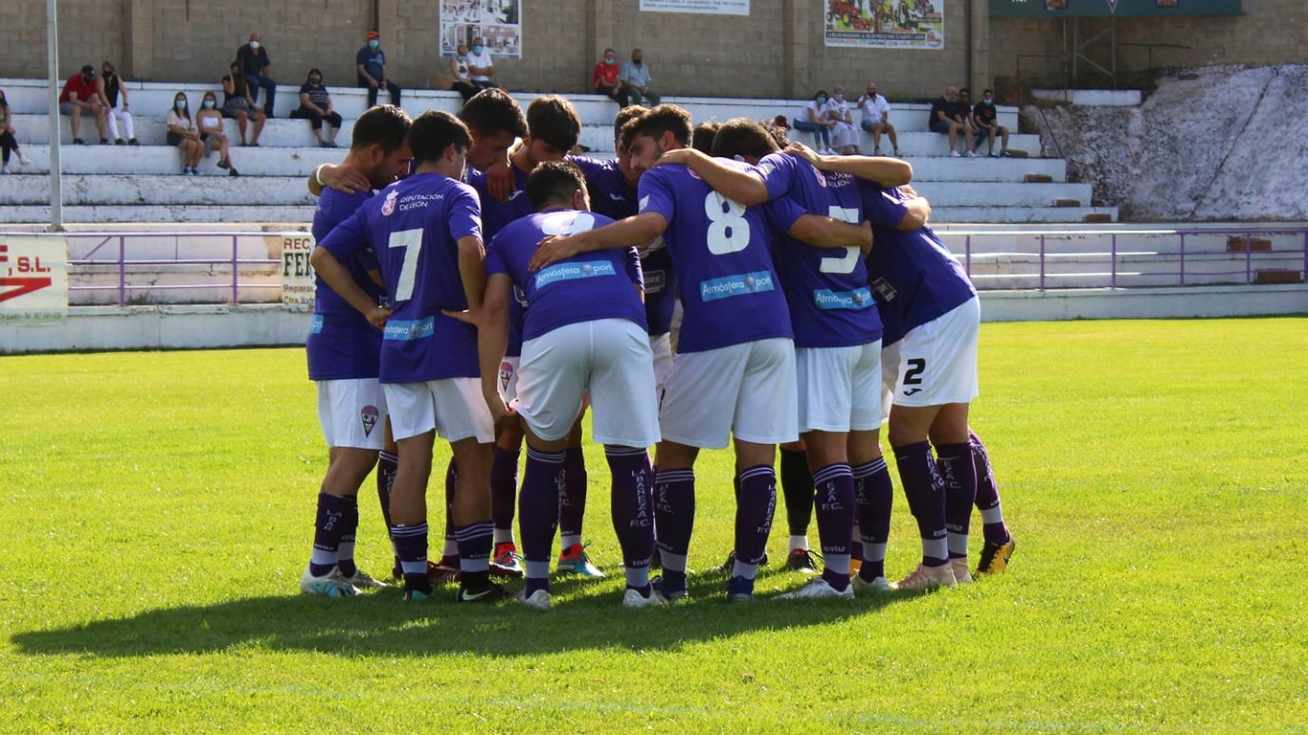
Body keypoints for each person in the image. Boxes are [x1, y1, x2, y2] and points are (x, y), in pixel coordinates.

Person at [528, 105, 874, 603]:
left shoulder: (665, 177)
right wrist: (859, 236)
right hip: (772, 325)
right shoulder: (745, 173)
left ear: (668, 142)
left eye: (640, 150)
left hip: (715, 325)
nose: (636, 163)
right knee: (757, 455)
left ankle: (672, 582)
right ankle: (743, 587)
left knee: (673, 457)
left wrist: (576, 243)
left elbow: (649, 225)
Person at [660, 123, 913, 597]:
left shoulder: (781, 170)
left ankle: (837, 578)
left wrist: (694, 160)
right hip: (864, 326)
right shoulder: (843, 173)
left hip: (822, 330)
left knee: (827, 454)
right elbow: (904, 184)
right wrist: (858, 227)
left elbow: (799, 223)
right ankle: (872, 572)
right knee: (867, 452)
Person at [311, 110, 504, 604]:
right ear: (453, 152)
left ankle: (415, 580)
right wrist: (477, 306)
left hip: (398, 345)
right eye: (464, 157)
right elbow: (469, 244)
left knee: (411, 460)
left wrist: (370, 309)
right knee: (473, 460)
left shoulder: (382, 202)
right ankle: (476, 580)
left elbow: (322, 256)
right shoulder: (459, 193)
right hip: (449, 343)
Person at [458, 161, 664, 609]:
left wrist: (493, 392)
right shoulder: (611, 226)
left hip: (551, 332)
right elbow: (636, 298)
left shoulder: (510, 234)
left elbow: (493, 313)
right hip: (622, 330)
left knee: (544, 458)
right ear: (577, 198)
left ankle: (536, 588)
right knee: (629, 457)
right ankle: (639, 588)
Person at [467, 96, 601, 579]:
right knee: (503, 435)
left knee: (567, 438)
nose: (562, 163)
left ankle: (571, 548)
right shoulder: (486, 184)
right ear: (532, 141)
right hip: (510, 337)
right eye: (554, 153)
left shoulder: (572, 178)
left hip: (557, 333)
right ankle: (502, 546)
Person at [299, 104, 414, 598]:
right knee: (359, 455)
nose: (403, 171)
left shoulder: (340, 189)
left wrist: (321, 173)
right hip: (353, 346)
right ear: (373, 152)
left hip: (336, 343)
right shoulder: (353, 199)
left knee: (347, 453)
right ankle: (320, 568)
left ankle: (342, 564)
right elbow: (325, 262)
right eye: (399, 161)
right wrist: (370, 307)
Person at [292, 68, 344, 148]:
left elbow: (328, 100)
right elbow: (305, 101)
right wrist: (317, 109)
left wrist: (329, 109)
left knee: (337, 118)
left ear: (320, 77)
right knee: (316, 116)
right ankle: (321, 141)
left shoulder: (322, 87)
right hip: (309, 110)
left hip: (323, 110)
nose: (315, 76)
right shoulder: (306, 87)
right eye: (312, 74)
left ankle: (332, 141)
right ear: (309, 76)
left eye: (317, 74)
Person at [58, 65, 108, 145]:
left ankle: (103, 138)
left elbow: (94, 96)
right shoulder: (74, 79)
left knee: (100, 109)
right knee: (77, 108)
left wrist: (99, 104)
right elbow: (73, 99)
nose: (89, 78)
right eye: (88, 76)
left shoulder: (92, 81)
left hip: (82, 105)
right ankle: (76, 138)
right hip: (65, 104)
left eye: (91, 76)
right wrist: (89, 106)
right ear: (82, 74)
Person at [222, 61, 266, 147]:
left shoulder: (244, 81)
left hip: (244, 106)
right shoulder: (226, 79)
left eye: (237, 69)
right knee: (242, 114)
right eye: (233, 69)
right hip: (231, 106)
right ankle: (243, 140)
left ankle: (254, 141)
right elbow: (231, 91)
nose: (235, 71)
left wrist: (256, 107)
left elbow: (248, 97)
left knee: (262, 116)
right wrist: (231, 77)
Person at [195, 91, 240, 176]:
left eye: (211, 99)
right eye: (207, 99)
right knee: (224, 140)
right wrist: (214, 131)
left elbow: (220, 128)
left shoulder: (217, 113)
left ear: (214, 101)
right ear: (204, 101)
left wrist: (213, 131)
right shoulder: (200, 113)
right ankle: (230, 167)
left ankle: (224, 162)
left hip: (216, 138)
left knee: (224, 142)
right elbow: (201, 128)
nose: (209, 101)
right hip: (205, 138)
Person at [97, 61, 137, 146]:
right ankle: (117, 138)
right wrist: (107, 106)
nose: (106, 70)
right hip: (103, 106)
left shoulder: (116, 78)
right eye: (105, 69)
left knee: (127, 115)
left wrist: (125, 105)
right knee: (111, 115)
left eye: (108, 68)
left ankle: (131, 138)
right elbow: (101, 93)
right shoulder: (101, 78)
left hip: (113, 106)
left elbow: (124, 91)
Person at [236, 32, 276, 117]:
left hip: (257, 75)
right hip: (245, 75)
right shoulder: (243, 50)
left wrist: (267, 78)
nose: (254, 42)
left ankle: (269, 111)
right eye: (252, 40)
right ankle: (251, 110)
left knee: (271, 84)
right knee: (255, 82)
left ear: (260, 41)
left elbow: (266, 65)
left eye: (256, 40)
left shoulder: (262, 50)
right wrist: (242, 79)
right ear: (249, 40)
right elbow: (240, 67)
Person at [357, 31, 401, 108]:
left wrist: (384, 80)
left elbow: (383, 68)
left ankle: (396, 111)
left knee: (396, 89)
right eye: (372, 38)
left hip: (379, 80)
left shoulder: (380, 53)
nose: (374, 40)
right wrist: (371, 80)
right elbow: (361, 69)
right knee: (373, 88)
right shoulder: (363, 52)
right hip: (367, 80)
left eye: (375, 38)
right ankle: (372, 113)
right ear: (368, 40)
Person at [928, 86, 973, 158]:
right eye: (955, 94)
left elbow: (956, 115)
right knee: (953, 125)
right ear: (950, 94)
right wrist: (955, 123)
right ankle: (952, 151)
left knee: (968, 128)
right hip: (936, 124)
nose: (956, 97)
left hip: (948, 124)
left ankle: (968, 151)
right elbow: (942, 117)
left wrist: (962, 123)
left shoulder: (952, 103)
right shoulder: (940, 101)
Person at [165, 92, 204, 175]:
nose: (181, 101)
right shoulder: (172, 113)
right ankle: (187, 167)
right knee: (192, 144)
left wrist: (192, 132)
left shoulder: (188, 115)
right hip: (174, 136)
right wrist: (186, 132)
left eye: (182, 99)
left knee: (201, 144)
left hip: (187, 135)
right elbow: (173, 127)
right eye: (178, 99)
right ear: (175, 101)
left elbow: (193, 128)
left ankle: (194, 167)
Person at [857, 81, 898, 157]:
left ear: (875, 89)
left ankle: (896, 148)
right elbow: (859, 106)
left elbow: (885, 112)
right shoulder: (863, 98)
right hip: (866, 122)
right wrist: (864, 100)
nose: (871, 91)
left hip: (879, 122)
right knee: (878, 126)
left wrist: (884, 120)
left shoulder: (881, 99)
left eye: (873, 89)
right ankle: (876, 149)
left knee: (890, 126)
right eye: (869, 89)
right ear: (867, 90)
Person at [792, 90, 835, 154]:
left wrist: (828, 123)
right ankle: (819, 148)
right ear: (816, 97)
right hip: (799, 123)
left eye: (824, 97)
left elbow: (821, 119)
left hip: (809, 124)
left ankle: (828, 148)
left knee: (824, 127)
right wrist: (828, 123)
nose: (822, 98)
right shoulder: (811, 104)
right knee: (816, 127)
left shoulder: (824, 106)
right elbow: (813, 120)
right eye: (820, 96)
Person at [971, 89, 1009, 158]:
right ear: (983, 96)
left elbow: (993, 119)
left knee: (1005, 130)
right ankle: (990, 151)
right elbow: (977, 119)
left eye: (989, 96)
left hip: (990, 126)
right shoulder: (979, 105)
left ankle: (1003, 150)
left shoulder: (992, 106)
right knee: (992, 129)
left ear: (991, 97)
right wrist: (986, 126)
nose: (987, 97)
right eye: (986, 96)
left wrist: (996, 125)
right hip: (981, 126)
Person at [825, 86, 860, 155]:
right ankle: (846, 147)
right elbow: (834, 114)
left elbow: (848, 115)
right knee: (844, 128)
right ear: (834, 93)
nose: (840, 94)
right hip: (834, 122)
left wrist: (847, 120)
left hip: (843, 122)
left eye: (841, 92)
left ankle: (856, 148)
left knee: (853, 127)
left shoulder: (845, 102)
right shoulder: (831, 101)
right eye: (838, 92)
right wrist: (845, 119)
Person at [0, 89, 27, 173]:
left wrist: (6, 127)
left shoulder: (5, 107)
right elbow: (6, 125)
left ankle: (5, 167)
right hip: (2, 131)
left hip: (2, 133)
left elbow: (8, 121)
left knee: (6, 138)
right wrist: (6, 127)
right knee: (7, 135)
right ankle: (20, 156)